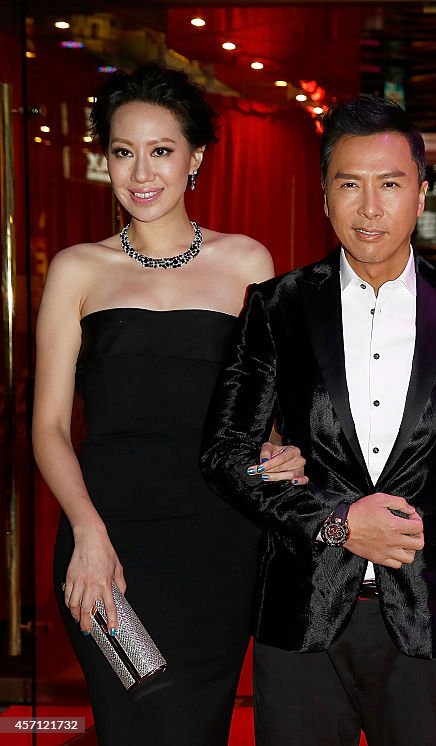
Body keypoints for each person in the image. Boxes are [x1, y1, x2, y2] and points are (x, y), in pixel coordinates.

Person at [199, 95, 436, 746]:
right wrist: (338, 520)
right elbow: (225, 453)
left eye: (390, 184)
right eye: (350, 184)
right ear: (325, 196)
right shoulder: (277, 307)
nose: (370, 207)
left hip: (426, 619)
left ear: (422, 193)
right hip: (300, 616)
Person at [32, 63, 306, 746]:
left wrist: (278, 449)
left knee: (195, 727)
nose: (141, 171)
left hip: (219, 547)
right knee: (140, 719)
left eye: (161, 150)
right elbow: (48, 428)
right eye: (124, 152)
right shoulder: (77, 269)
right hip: (109, 548)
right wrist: (88, 535)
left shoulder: (248, 263)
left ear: (196, 159)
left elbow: (269, 415)